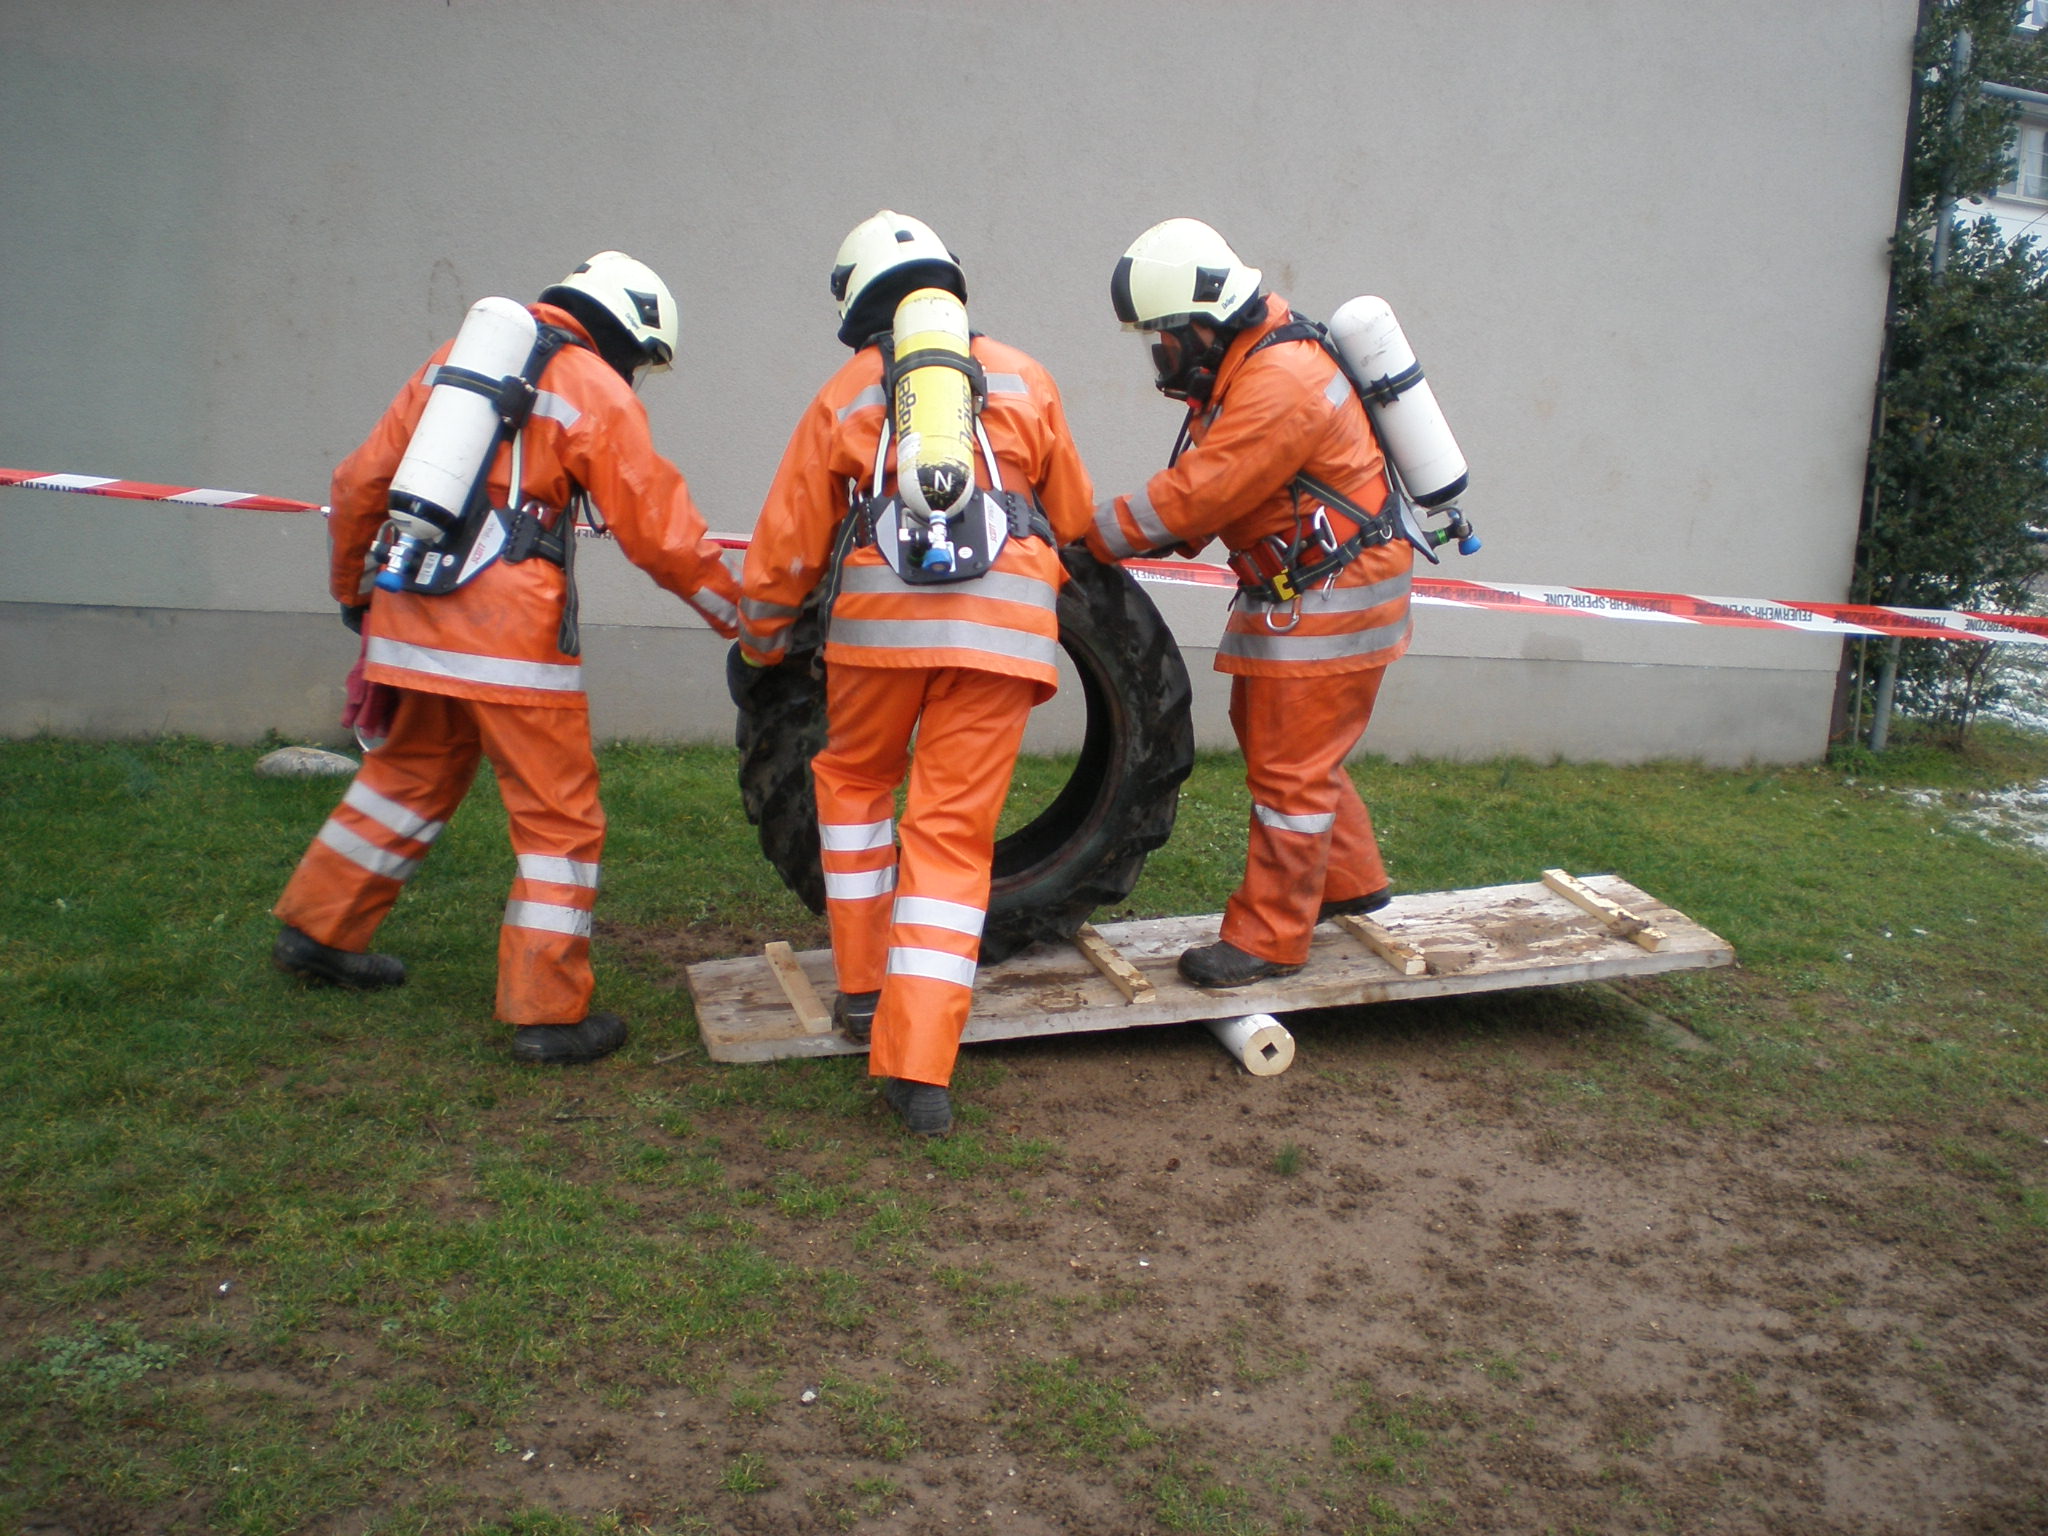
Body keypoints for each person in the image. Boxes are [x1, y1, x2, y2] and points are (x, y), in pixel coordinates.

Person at [271, 251, 741, 1064]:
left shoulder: (452, 362)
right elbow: (662, 534)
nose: (635, 375)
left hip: (411, 611)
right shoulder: (592, 387)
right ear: (625, 334)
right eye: (641, 360)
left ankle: (318, 930)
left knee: (406, 776)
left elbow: (358, 482)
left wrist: (354, 590)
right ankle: (548, 1013)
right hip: (508, 639)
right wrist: (745, 621)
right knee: (559, 820)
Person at [736, 210, 1094, 1134]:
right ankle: (919, 1069)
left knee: (855, 785)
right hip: (1003, 637)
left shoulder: (848, 392)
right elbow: (1074, 516)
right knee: (951, 838)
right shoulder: (1026, 377)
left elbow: (786, 543)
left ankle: (862, 989)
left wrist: (761, 642)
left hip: (880, 633)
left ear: (861, 306)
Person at [1084, 218, 1412, 990]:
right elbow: (1208, 498)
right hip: (1307, 585)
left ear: (1203, 320)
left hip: (1332, 594)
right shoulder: (1248, 361)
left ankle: (1270, 937)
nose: (1160, 353)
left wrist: (1081, 536)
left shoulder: (1279, 380)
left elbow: (1198, 495)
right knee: (1280, 741)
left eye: (1163, 335)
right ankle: (1347, 879)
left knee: (1291, 771)